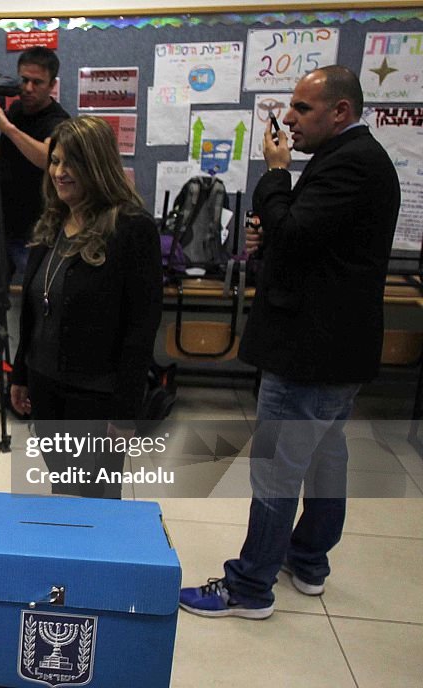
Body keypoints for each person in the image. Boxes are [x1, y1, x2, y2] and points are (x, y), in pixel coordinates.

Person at [180, 66, 400, 619]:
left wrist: (276, 175)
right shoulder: (348, 159)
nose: (290, 120)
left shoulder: (353, 163)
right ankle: (307, 559)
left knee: (277, 468)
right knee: (325, 456)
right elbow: (305, 240)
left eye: (303, 109)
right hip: (329, 345)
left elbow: (298, 233)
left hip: (310, 349)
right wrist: (269, 232)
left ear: (340, 112)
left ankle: (249, 587)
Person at [8, 116, 162, 499]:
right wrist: (20, 373)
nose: (60, 172)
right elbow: (34, 309)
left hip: (95, 395)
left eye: (71, 163)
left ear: (97, 166)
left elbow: (140, 329)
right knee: (62, 485)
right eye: (55, 161)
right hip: (45, 386)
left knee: (94, 498)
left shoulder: (131, 229)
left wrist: (126, 413)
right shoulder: (54, 221)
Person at [0, 46, 70, 383]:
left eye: (37, 82)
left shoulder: (57, 120)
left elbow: (46, 157)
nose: (28, 88)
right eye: (24, 80)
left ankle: (32, 373)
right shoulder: (14, 110)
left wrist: (6, 126)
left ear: (52, 84)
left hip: (40, 230)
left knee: (39, 303)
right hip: (2, 224)